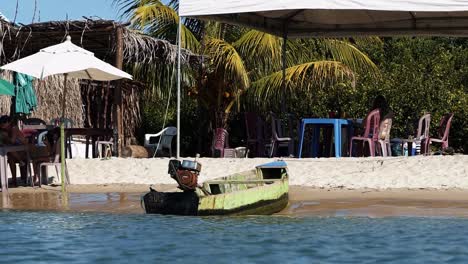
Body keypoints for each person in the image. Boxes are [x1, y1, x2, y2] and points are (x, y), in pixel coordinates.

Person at [0, 115, 28, 186]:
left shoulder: (14, 128)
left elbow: (12, 141)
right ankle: (14, 181)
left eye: (3, 123)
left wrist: (5, 137)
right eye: (1, 123)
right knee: (10, 159)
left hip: (24, 151)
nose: (2, 124)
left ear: (8, 122)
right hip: (15, 152)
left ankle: (21, 161)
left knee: (9, 153)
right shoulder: (5, 130)